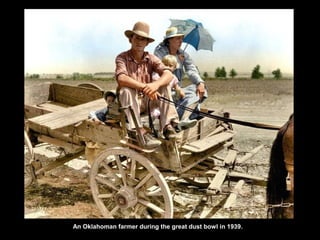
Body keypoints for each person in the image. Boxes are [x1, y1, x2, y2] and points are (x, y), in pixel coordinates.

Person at [115, 21, 181, 149]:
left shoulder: (150, 58)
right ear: (130, 39)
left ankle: (168, 126)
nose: (139, 42)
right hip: (130, 104)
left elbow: (168, 74)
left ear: (147, 43)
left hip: (148, 101)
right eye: (137, 38)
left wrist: (155, 85)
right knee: (126, 90)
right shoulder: (122, 57)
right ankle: (138, 131)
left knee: (164, 84)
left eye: (143, 39)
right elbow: (122, 78)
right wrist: (145, 87)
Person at [154, 26, 208, 120]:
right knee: (186, 100)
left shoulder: (183, 54)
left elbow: (191, 69)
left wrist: (200, 83)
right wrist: (176, 62)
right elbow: (158, 69)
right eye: (178, 38)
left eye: (182, 38)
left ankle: (180, 113)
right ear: (169, 40)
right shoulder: (159, 52)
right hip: (165, 91)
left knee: (199, 89)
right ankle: (181, 116)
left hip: (179, 92)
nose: (181, 41)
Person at [151, 54, 197, 131]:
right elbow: (154, 83)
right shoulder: (157, 75)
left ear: (175, 68)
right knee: (157, 112)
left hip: (168, 100)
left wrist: (180, 91)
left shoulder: (173, 77)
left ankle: (177, 123)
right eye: (165, 65)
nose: (167, 67)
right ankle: (175, 124)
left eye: (170, 66)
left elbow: (176, 87)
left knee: (173, 105)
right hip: (157, 99)